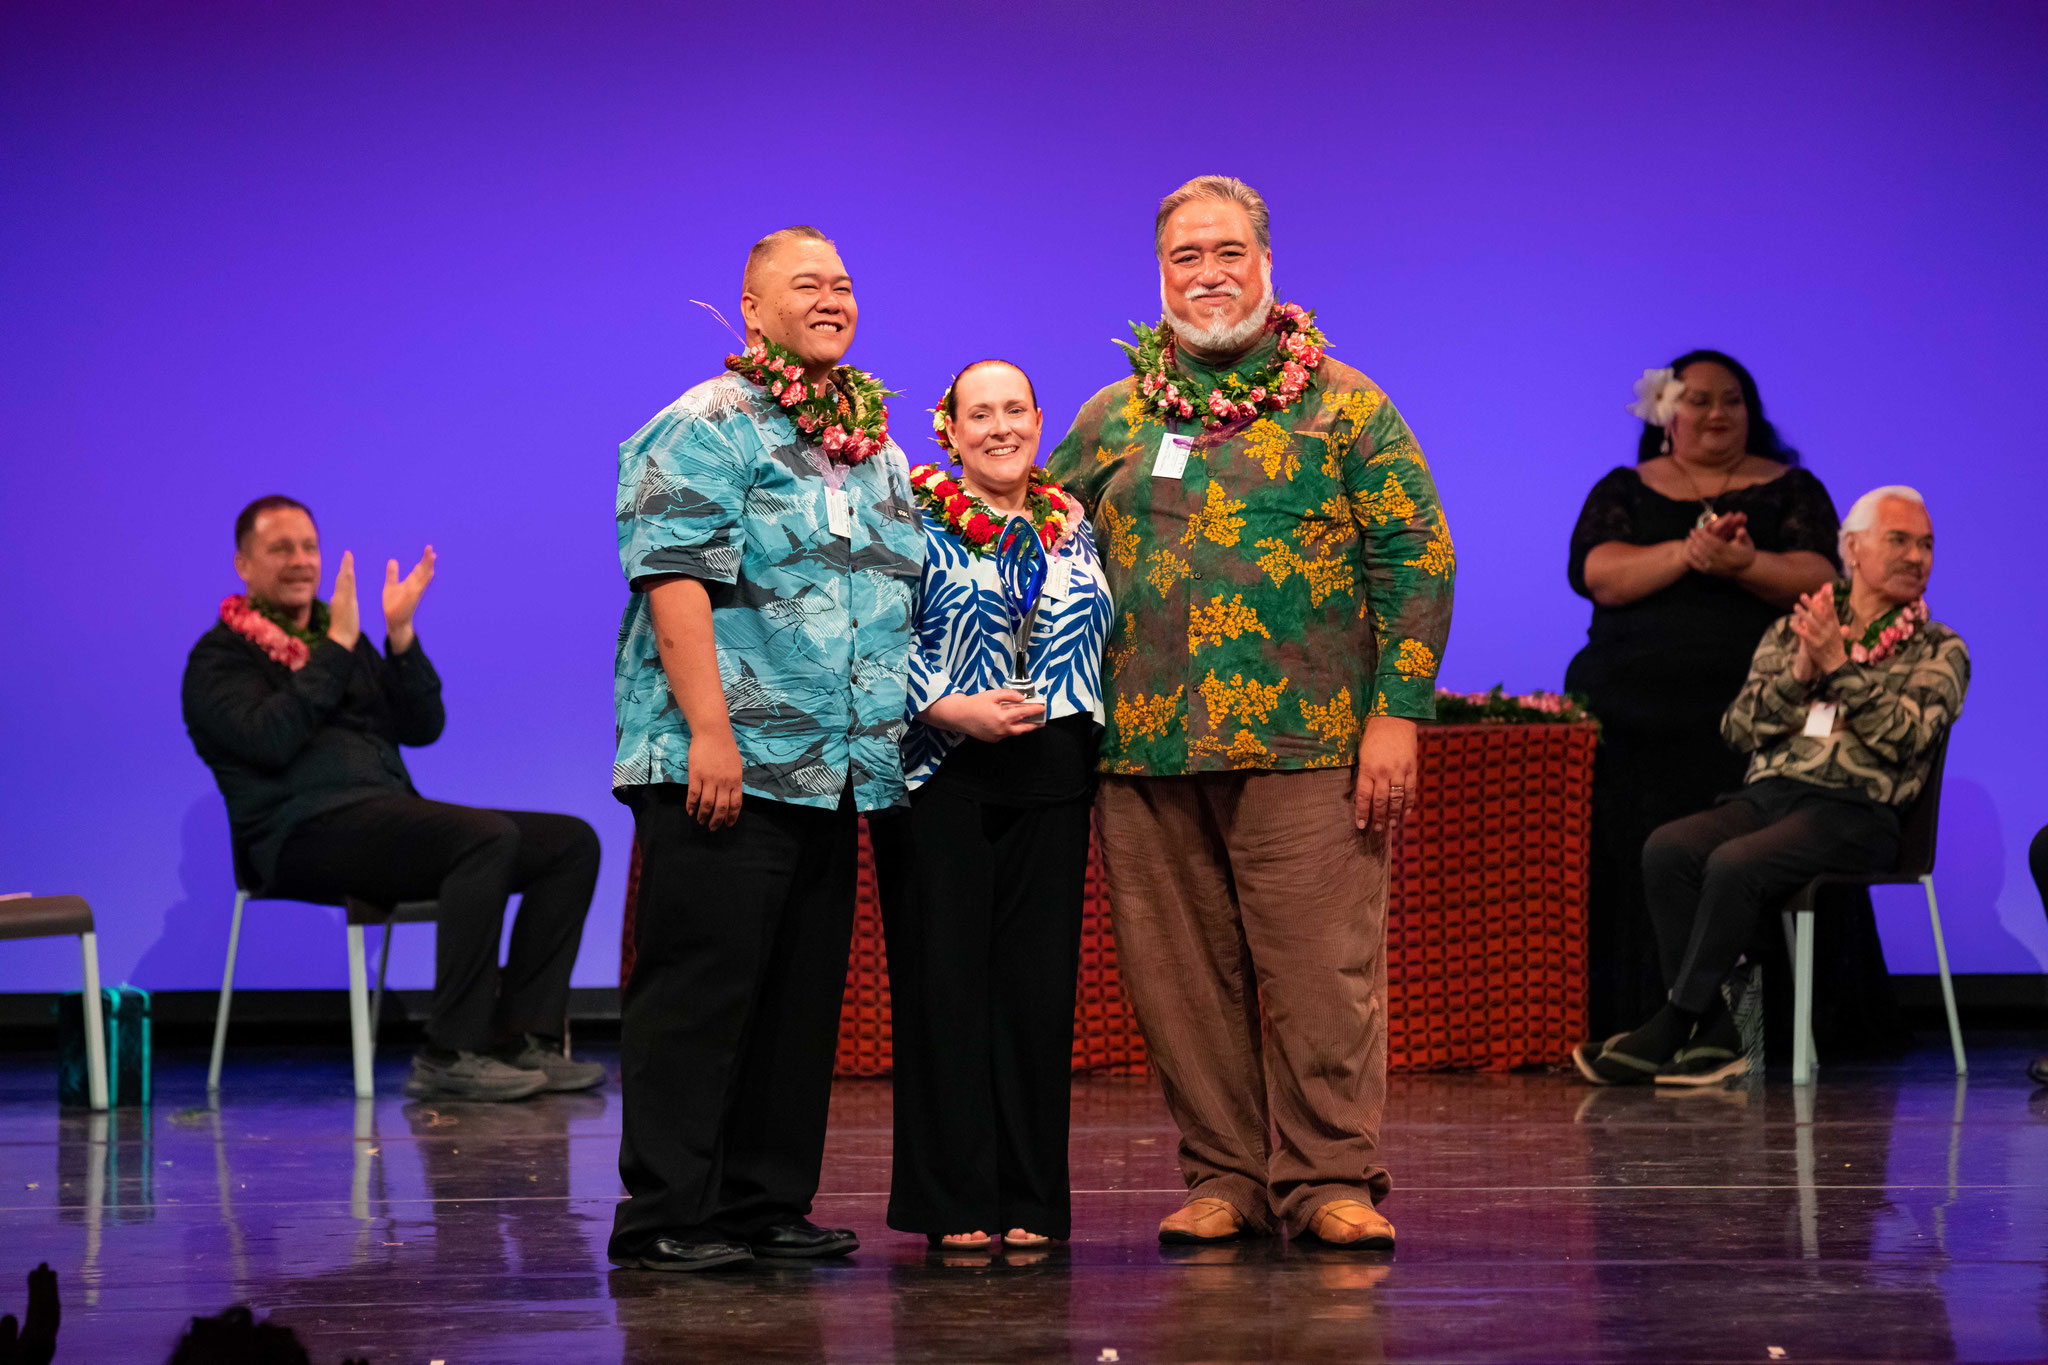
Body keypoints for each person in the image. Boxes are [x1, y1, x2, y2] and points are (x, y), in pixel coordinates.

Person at [1044, 176, 1455, 1251]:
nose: (1207, 273)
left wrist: (1397, 715)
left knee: (1320, 975)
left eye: (1226, 252)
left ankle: (1326, 1179)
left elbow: (1418, 558)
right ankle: (1222, 1175)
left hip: (1308, 746)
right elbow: (1037, 546)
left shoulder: (1346, 405)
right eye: (1185, 256)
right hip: (1141, 750)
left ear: (1267, 266)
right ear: (1159, 275)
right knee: (1180, 984)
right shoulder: (1110, 417)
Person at [608, 225, 923, 1272]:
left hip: (831, 775)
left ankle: (759, 1201)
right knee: (699, 995)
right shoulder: (707, 424)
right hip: (725, 763)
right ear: (750, 310)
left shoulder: (868, 445)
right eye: (805, 285)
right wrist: (708, 731)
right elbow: (673, 581)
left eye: (843, 282)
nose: (832, 298)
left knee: (795, 999)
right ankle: (666, 1215)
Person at [182, 496, 604, 1104]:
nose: (301, 561)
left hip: (382, 819)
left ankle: (523, 1036)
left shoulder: (343, 638)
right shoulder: (218, 657)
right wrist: (338, 645)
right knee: (483, 837)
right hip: (298, 836)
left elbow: (421, 725)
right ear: (243, 564)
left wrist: (400, 637)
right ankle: (450, 1051)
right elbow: (270, 742)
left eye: (309, 547)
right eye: (280, 548)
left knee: (570, 843)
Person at [1574, 486, 1968, 1086]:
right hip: (1772, 794)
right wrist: (1801, 673)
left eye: (1927, 544)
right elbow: (1739, 728)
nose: (1917, 556)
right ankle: (1723, 1034)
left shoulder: (1942, 648)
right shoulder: (1796, 629)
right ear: (1853, 549)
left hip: (1857, 810)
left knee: (1736, 864)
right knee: (1669, 848)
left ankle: (1678, 1022)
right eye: (1900, 540)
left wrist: (1839, 667)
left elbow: (1906, 738)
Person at [868, 359, 1112, 1251]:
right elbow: (873, 629)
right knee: (945, 989)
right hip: (943, 771)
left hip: (1053, 776)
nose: (1000, 426)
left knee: (1037, 997)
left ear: (1040, 421)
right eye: (981, 413)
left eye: (1016, 409)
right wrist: (946, 706)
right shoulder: (916, 521)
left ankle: (1030, 1198)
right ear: (951, 429)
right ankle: (953, 1200)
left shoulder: (1072, 527)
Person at [1565, 352, 1845, 1038]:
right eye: (1699, 400)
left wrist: (1745, 563)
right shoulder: (1624, 489)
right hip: (1638, 721)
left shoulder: (1792, 489)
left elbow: (1820, 575)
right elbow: (1599, 572)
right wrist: (1690, 554)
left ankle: (1748, 1029)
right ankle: (1652, 1015)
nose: (1717, 413)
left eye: (1732, 400)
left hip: (1759, 714)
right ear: (1666, 413)